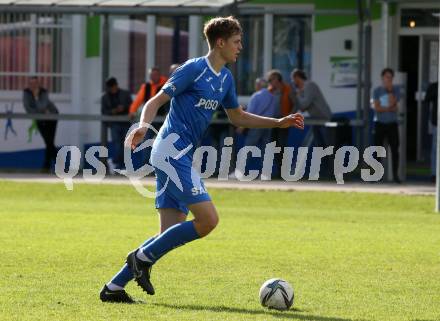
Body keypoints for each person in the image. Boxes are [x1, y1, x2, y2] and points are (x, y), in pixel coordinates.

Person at [99, 16, 304, 303]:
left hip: (180, 156)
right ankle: (139, 259)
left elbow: (237, 116)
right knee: (208, 220)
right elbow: (155, 101)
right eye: (236, 42)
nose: (240, 47)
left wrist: (278, 122)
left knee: (167, 234)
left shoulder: (225, 78)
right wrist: (143, 126)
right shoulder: (193, 69)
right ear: (220, 42)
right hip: (170, 153)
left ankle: (114, 288)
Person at [23, 76, 58, 171]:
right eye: (31, 83)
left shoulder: (44, 92)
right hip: (40, 119)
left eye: (35, 83)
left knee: (49, 141)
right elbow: (28, 108)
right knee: (49, 142)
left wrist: (36, 97)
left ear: (39, 84)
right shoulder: (26, 93)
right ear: (29, 84)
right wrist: (40, 110)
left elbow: (43, 105)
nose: (33, 85)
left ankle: (46, 167)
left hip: (52, 116)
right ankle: (58, 165)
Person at [373, 68, 401, 184]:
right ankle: (376, 175)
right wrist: (389, 108)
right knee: (378, 150)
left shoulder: (396, 90)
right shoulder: (377, 91)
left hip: (392, 124)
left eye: (390, 77)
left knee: (395, 150)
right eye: (386, 77)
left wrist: (390, 92)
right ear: (382, 78)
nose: (388, 79)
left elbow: (394, 104)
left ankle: (395, 175)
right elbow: (377, 108)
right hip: (380, 124)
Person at [291, 69, 332, 147]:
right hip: (315, 118)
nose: (293, 82)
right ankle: (324, 159)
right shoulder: (303, 89)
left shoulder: (309, 85)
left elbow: (304, 104)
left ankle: (330, 159)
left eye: (293, 79)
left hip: (323, 117)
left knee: (327, 144)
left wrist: (298, 95)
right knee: (320, 145)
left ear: (297, 77)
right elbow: (303, 109)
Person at [267, 69, 294, 178]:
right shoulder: (269, 91)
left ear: (277, 79)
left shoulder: (288, 89)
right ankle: (279, 171)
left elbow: (295, 104)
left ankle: (284, 172)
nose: (269, 82)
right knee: (274, 146)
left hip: (284, 121)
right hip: (273, 122)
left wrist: (290, 116)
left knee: (282, 145)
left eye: (271, 79)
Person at [101, 77, 132, 170]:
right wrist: (113, 111)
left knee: (126, 145)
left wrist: (124, 108)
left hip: (126, 123)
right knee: (117, 144)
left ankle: (120, 164)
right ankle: (118, 164)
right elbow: (104, 111)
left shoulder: (125, 94)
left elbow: (131, 106)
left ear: (116, 85)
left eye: (112, 87)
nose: (111, 89)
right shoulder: (105, 97)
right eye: (109, 88)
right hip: (114, 124)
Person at [424, 81, 438, 182]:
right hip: (436, 122)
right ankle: (434, 174)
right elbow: (427, 99)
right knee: (435, 149)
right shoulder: (434, 86)